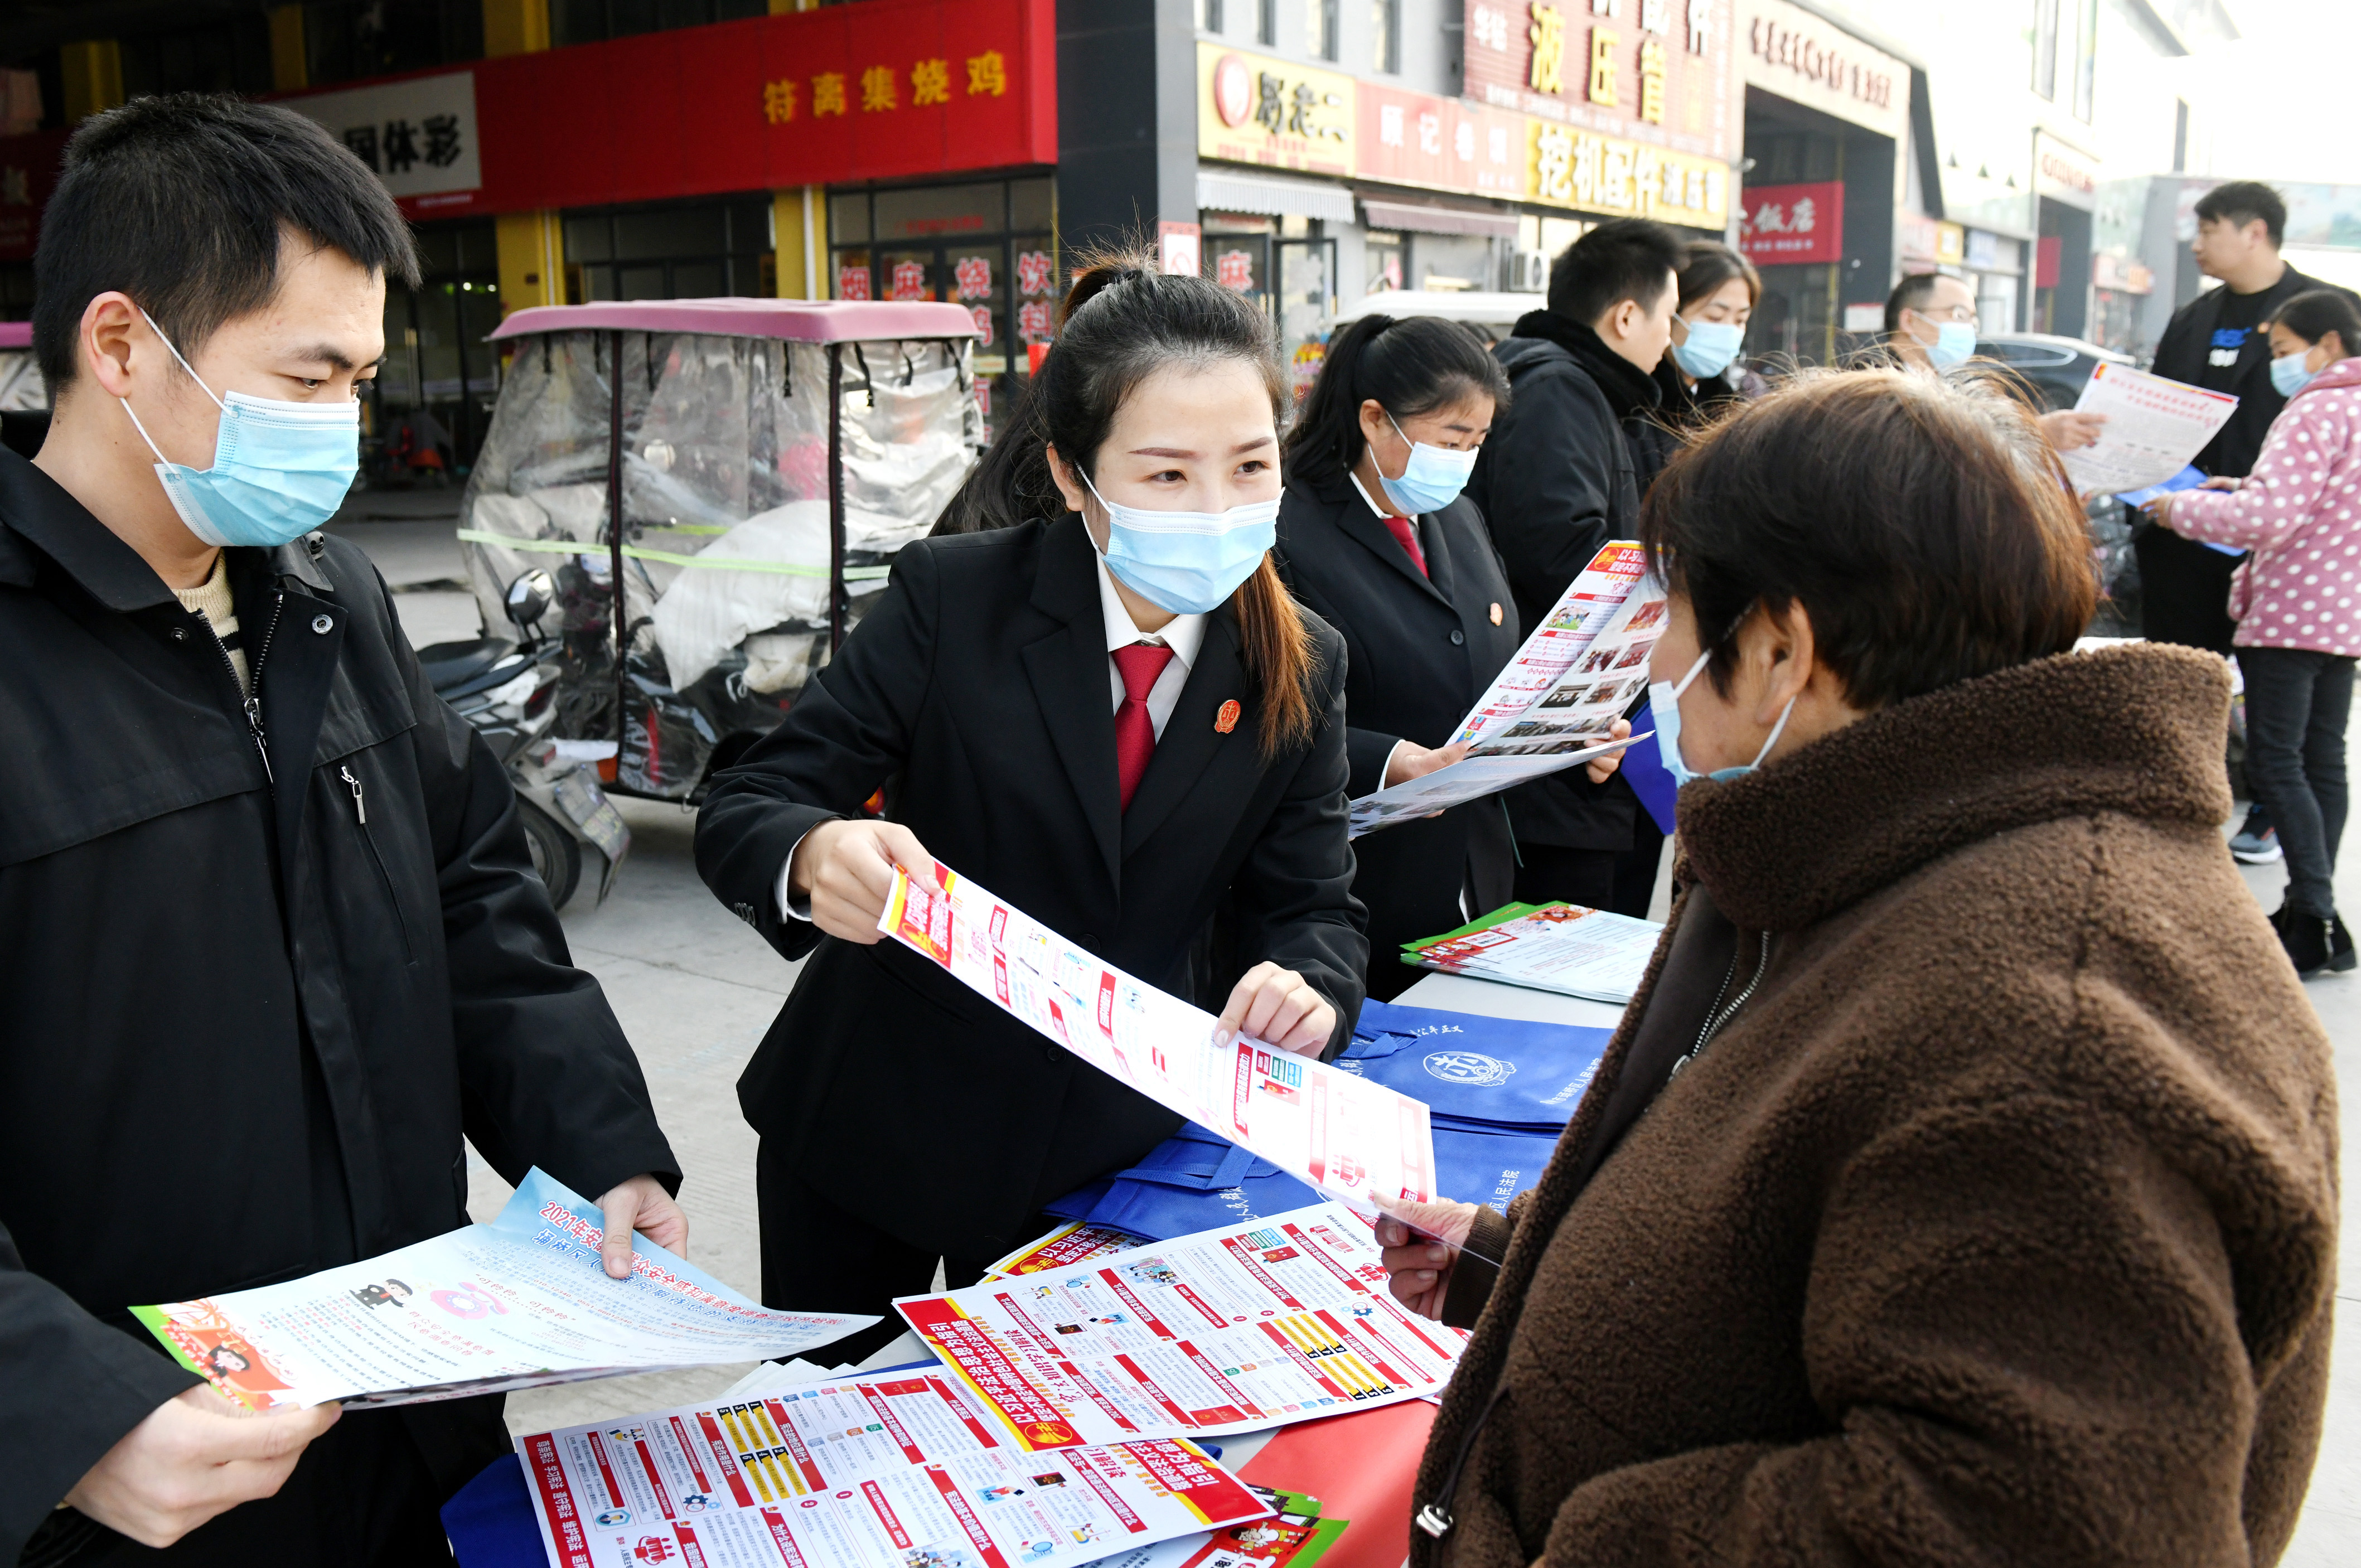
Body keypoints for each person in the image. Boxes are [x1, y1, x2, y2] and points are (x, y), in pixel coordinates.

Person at [1372, 368, 2334, 1563]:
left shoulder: (2054, 1030)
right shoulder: (1857, 843)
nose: (1652, 663)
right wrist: (1507, 1263)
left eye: (1670, 613)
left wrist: (1588, 1532)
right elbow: (1787, 1226)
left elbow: (2027, 1522)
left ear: (1779, 646)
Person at [0, 96, 683, 1564]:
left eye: (360, 380)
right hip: (151, 1484)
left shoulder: (328, 598)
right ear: (120, 346)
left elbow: (477, 901)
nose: (340, 429)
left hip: (410, 1414)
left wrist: (598, 1142)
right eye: (306, 377)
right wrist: (62, 1418)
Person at [695, 258, 1367, 1362]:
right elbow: (753, 794)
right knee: (839, 1440)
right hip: (880, 1125)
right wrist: (814, 850)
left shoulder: (1300, 660)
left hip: (1106, 1153)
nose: (1216, 509)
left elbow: (1315, 908)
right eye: (1164, 475)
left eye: (1250, 467)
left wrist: (1308, 986)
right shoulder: (953, 599)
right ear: (1070, 473)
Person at [1273, 314, 1627, 1000]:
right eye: (1451, 439)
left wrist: (1566, 731)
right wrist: (1386, 760)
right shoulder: (1289, 528)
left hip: (1474, 875)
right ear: (1375, 420)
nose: (1464, 459)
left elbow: (1494, 671)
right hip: (1351, 886)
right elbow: (1270, 702)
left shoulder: (1456, 516)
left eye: (1479, 441)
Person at [1465, 217, 1681, 918]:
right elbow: (1564, 556)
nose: (1670, 339)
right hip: (1555, 741)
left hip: (1574, 737)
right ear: (1626, 315)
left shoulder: (1578, 386)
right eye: (1668, 319)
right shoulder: (1562, 390)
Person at [2149, 287, 2361, 976]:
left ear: (2327, 344)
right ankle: (2313, 911)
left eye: (2281, 350)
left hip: (2291, 614)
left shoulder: (2319, 407)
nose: (2278, 364)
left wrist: (2175, 509)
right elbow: (2320, 501)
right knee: (2323, 762)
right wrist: (2241, 487)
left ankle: (2315, 918)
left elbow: (2270, 521)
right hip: (2343, 618)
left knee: (2276, 763)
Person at [2147, 181, 2353, 864]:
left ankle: (2271, 819)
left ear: (2253, 231)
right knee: (2183, 677)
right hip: (2186, 529)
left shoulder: (2321, 314)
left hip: (2285, 550)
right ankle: (2183, 797)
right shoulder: (2191, 318)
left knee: (2288, 726)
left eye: (2207, 229)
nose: (2198, 243)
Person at [1883, 270, 2105, 454]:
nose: (1968, 328)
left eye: (1972, 319)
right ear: (1909, 321)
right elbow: (1928, 452)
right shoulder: (1872, 383)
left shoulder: (1954, 385)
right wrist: (2035, 434)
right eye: (1959, 316)